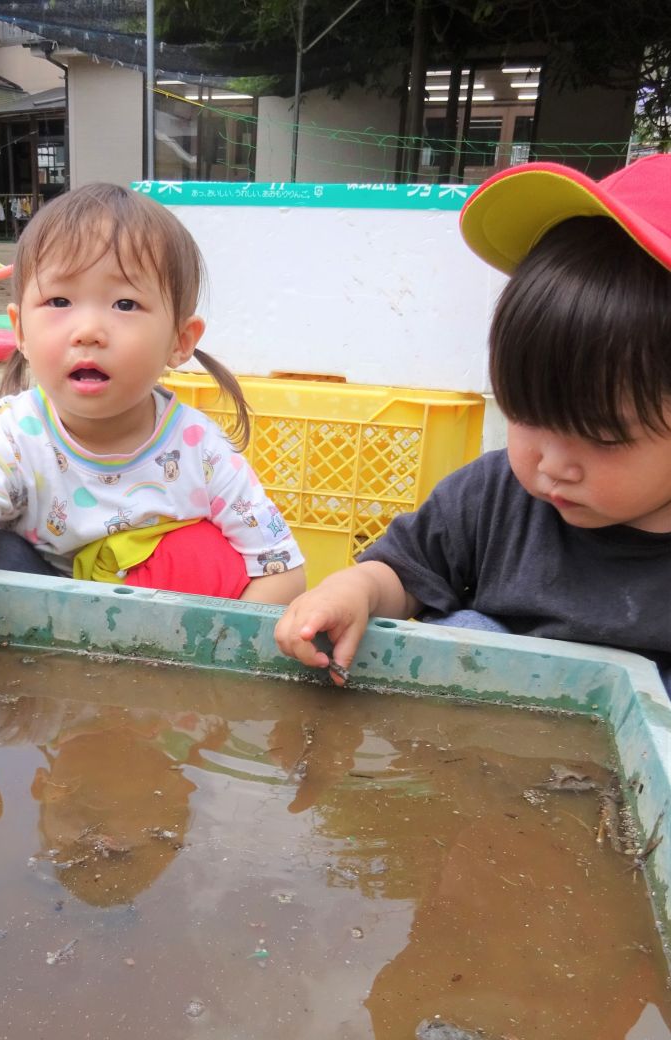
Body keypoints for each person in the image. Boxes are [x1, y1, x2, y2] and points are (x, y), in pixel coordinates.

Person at [275, 154, 671, 694]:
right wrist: (354, 593)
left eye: (602, 437)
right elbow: (401, 572)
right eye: (526, 415)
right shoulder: (492, 497)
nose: (551, 465)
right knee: (466, 632)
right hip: (475, 749)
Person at [0, 182, 306, 678]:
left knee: (204, 553)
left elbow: (282, 569)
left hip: (172, 640)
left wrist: (213, 657)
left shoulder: (199, 451)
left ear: (180, 341)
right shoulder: (8, 437)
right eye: (58, 301)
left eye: (124, 305)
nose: (88, 330)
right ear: (19, 331)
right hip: (48, 638)